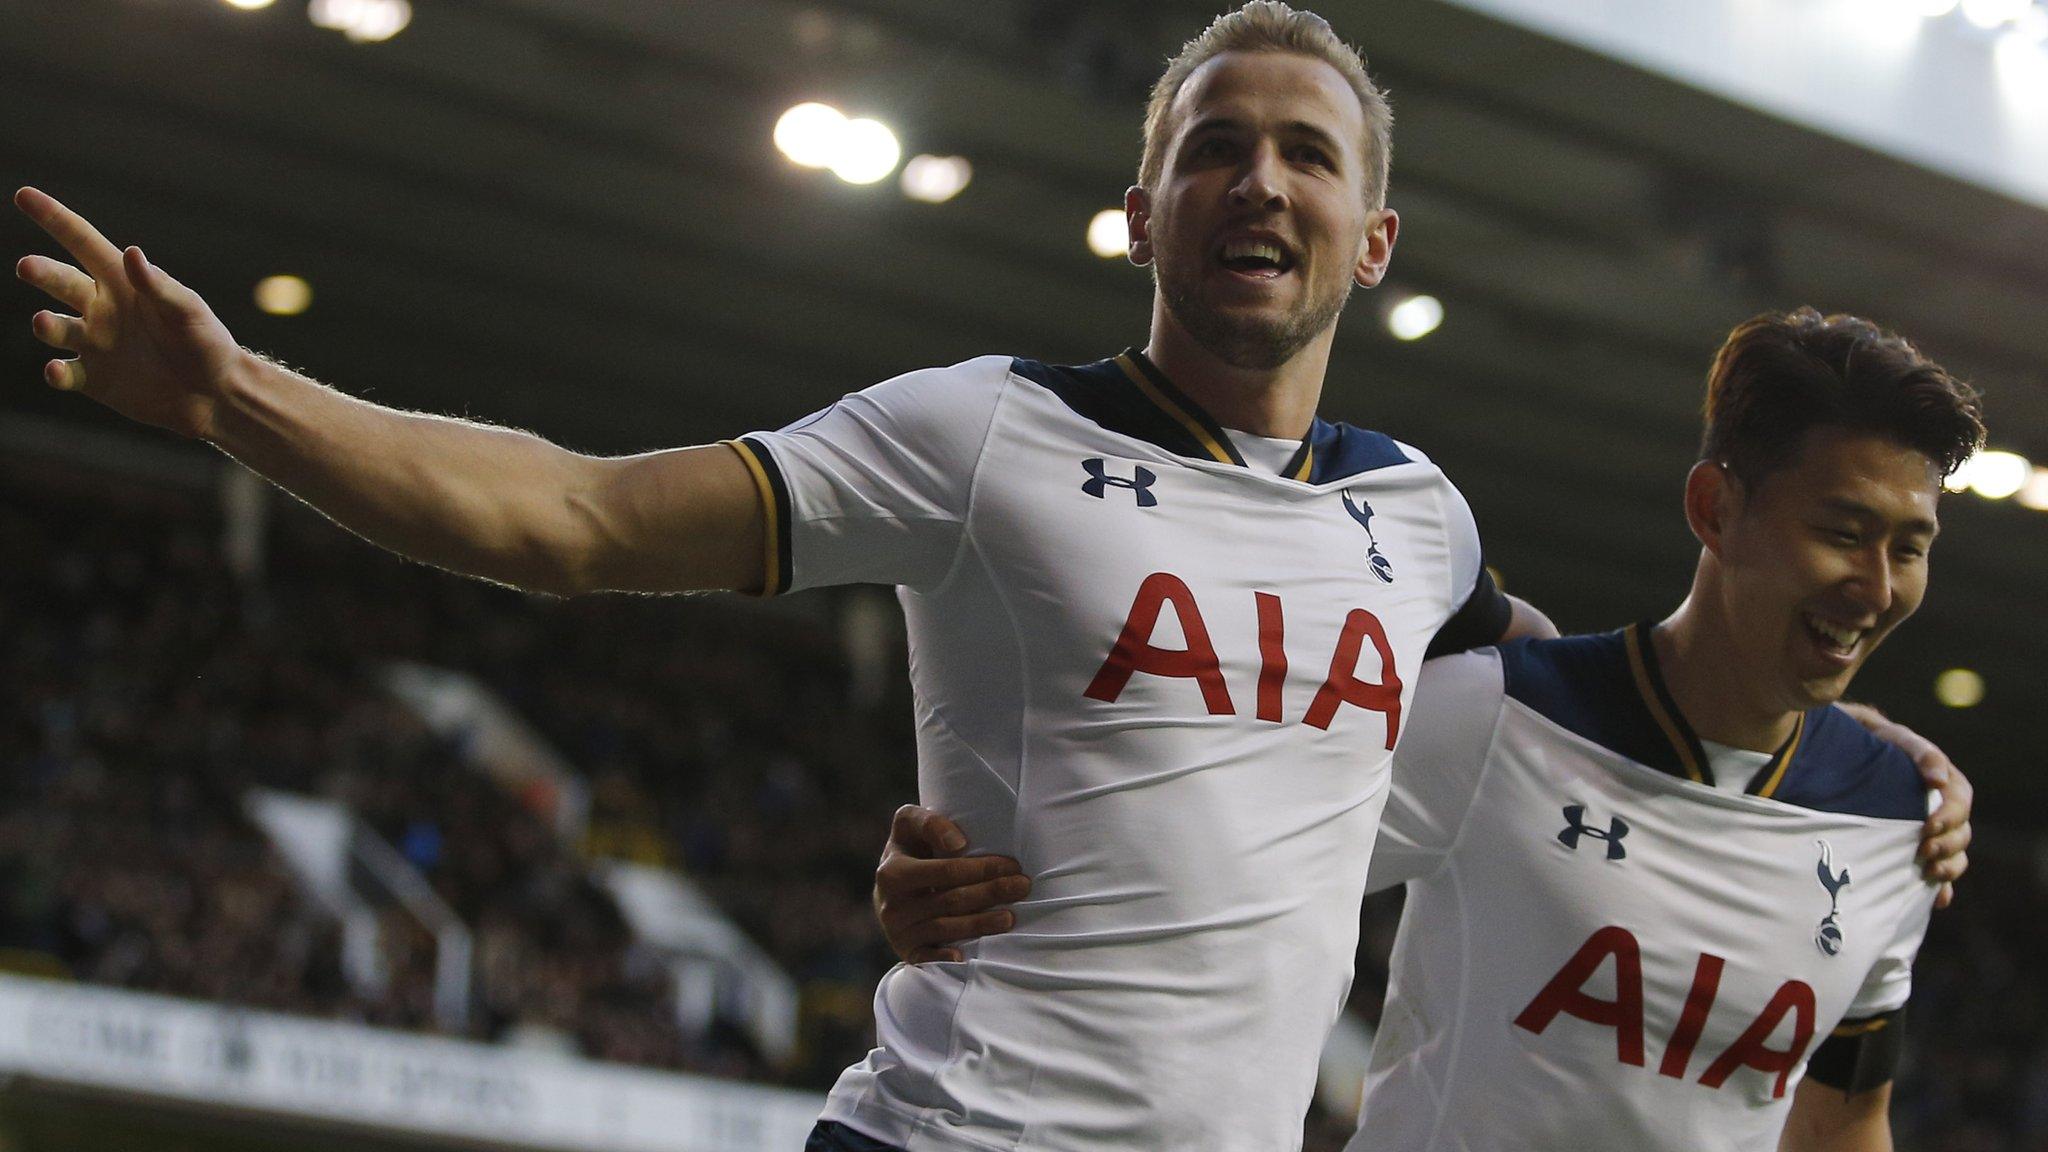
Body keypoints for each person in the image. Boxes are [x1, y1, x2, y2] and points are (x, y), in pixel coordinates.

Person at [12, 3, 1968, 1149]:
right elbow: (578, 518)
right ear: (1142, 206)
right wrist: (234, 401)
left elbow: (1609, 703)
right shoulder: (984, 436)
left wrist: (1878, 759)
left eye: (1304, 156)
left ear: (1376, 240)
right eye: (1216, 148)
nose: (1259, 183)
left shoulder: (1422, 520)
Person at [872, 307, 1985, 1150]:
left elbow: (1842, 1122)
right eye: (1842, 533)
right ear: (1713, 509)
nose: (1875, 585)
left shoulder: (1894, 818)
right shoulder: (1497, 716)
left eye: (1911, 545)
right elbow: (1191, 854)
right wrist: (958, 880)